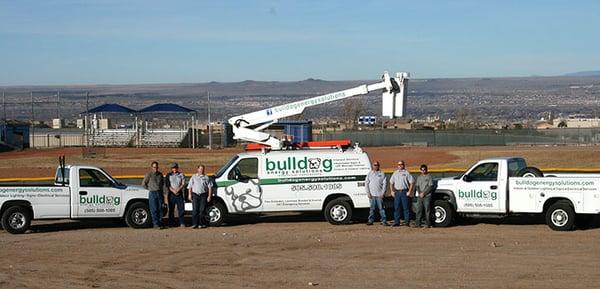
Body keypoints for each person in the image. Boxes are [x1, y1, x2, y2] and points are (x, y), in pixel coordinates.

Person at [389, 160, 415, 227]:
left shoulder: (406, 173)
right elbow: (391, 182)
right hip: (397, 192)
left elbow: (412, 182)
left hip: (404, 192)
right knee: (396, 208)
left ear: (404, 165)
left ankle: (407, 222)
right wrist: (392, 191)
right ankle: (397, 222)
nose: (400, 166)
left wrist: (409, 191)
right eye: (399, 164)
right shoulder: (395, 173)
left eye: (401, 164)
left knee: (406, 208)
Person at [187, 165, 213, 229]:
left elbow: (210, 187)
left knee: (202, 210)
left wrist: (209, 196)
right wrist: (189, 194)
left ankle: (201, 224)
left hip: (203, 195)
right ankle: (194, 224)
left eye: (203, 169)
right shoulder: (193, 177)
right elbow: (190, 186)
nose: (202, 170)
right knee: (195, 210)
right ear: (197, 169)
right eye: (200, 169)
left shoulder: (206, 177)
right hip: (195, 195)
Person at [142, 161, 166, 229]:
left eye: (157, 167)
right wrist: (150, 189)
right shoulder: (148, 174)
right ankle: (155, 224)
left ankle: (160, 223)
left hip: (160, 193)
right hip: (152, 193)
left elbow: (162, 184)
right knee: (154, 209)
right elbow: (144, 184)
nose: (156, 168)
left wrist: (163, 192)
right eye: (154, 167)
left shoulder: (160, 174)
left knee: (160, 208)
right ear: (152, 167)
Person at [365, 161, 388, 226]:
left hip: (379, 195)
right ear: (372, 166)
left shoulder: (382, 173)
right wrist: (368, 193)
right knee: (372, 209)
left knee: (381, 209)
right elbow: (366, 184)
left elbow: (385, 184)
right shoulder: (369, 174)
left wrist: (383, 193)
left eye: (377, 165)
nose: (375, 166)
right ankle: (370, 221)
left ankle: (384, 221)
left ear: (379, 166)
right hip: (372, 195)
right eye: (374, 165)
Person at [165, 163, 186, 228]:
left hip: (179, 194)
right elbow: (168, 185)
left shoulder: (181, 174)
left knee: (181, 209)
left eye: (176, 168)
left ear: (177, 168)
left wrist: (179, 189)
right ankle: (171, 223)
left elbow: (183, 183)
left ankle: (182, 222)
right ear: (171, 169)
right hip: (171, 194)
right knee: (171, 209)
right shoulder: (168, 175)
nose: (174, 169)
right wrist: (174, 191)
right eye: (173, 168)